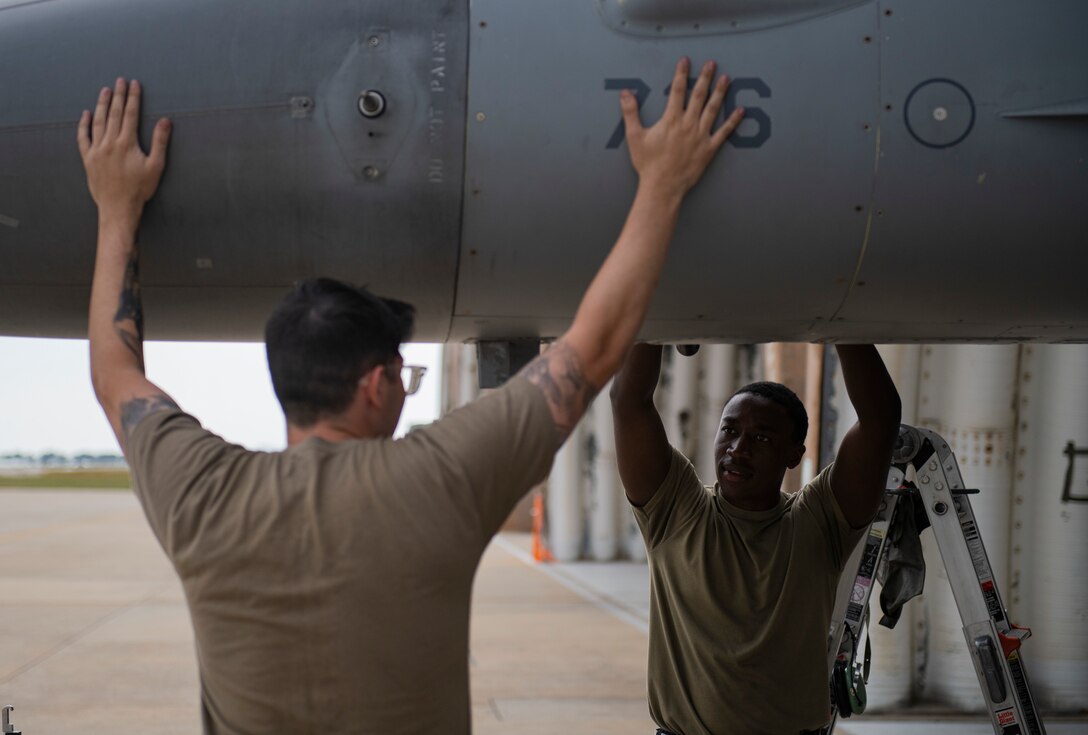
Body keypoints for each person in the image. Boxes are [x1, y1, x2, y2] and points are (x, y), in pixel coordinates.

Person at [77, 58, 744, 733]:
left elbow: (114, 373)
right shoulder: (439, 477)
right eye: (404, 374)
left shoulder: (201, 493)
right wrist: (663, 183)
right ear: (375, 384)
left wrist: (116, 207)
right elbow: (595, 346)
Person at [610, 344, 902, 735]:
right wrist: (657, 318)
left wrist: (841, 323)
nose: (738, 449)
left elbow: (880, 420)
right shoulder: (675, 510)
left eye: (761, 438)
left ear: (794, 454)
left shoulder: (819, 522)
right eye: (729, 430)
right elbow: (629, 402)